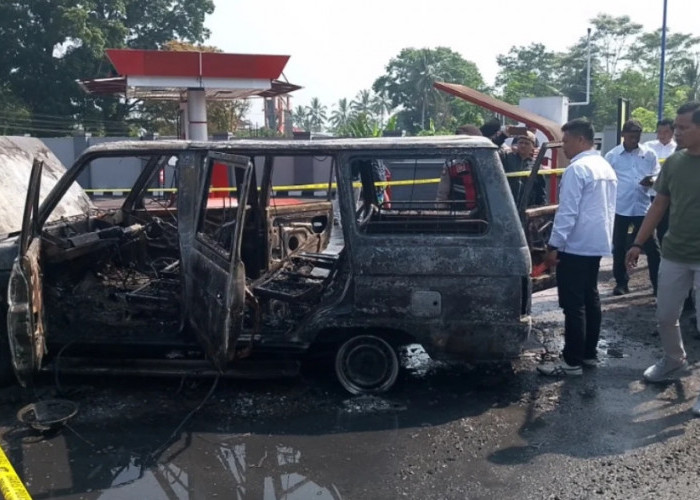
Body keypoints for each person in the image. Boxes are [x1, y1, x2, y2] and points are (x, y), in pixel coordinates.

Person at [625, 102, 700, 416]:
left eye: (683, 128)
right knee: (666, 315)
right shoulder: (673, 163)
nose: (676, 133)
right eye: (677, 127)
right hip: (675, 253)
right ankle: (673, 359)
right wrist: (638, 242)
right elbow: (658, 206)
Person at [537, 118, 617, 377]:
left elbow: (567, 213)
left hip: (576, 243)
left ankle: (571, 360)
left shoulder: (577, 169)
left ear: (581, 140)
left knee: (573, 304)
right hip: (596, 241)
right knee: (590, 298)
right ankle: (588, 354)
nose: (564, 147)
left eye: (567, 141)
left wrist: (553, 245)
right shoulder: (605, 166)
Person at [605, 119, 661, 296]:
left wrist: (652, 180)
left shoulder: (649, 154)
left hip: (643, 207)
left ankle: (657, 285)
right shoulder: (612, 156)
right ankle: (621, 283)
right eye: (630, 136)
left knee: (652, 247)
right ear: (623, 135)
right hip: (621, 207)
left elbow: (658, 174)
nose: (634, 140)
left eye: (637, 137)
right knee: (619, 246)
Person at [644, 118, 677, 245]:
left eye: (666, 132)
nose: (662, 135)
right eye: (659, 132)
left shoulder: (677, 149)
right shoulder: (648, 147)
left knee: (664, 228)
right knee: (648, 228)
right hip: (650, 194)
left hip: (667, 195)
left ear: (672, 132)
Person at [435, 125, 482, 209]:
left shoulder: (486, 162)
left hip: (483, 214)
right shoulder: (451, 164)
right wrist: (440, 214)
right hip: (459, 213)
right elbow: (442, 195)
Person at [500, 131, 546, 207]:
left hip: (527, 208)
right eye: (521, 142)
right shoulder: (506, 158)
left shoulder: (536, 166)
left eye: (527, 143)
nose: (523, 145)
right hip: (507, 206)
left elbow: (540, 192)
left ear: (533, 147)